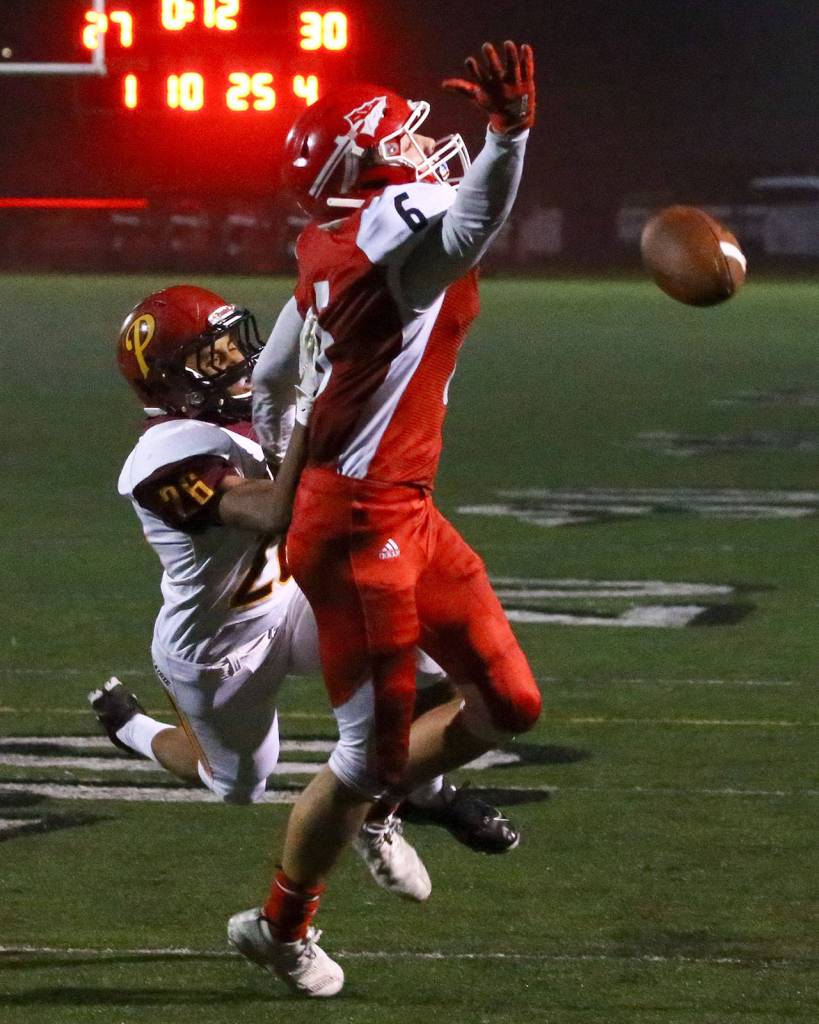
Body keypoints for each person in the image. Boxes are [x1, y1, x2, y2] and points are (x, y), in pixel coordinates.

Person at [230, 40, 541, 997]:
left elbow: (276, 373)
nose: (420, 146)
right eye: (399, 136)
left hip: (397, 507)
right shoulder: (391, 229)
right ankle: (279, 927)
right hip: (362, 529)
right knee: (367, 756)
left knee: (508, 705)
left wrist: (294, 465)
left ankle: (377, 806)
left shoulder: (336, 239)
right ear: (363, 163)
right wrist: (509, 130)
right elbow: (476, 219)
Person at [93, 284, 516, 902]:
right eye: (212, 357)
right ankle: (131, 728)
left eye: (234, 343)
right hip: (219, 645)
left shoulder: (253, 406)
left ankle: (405, 801)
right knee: (237, 782)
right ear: (169, 384)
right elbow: (272, 510)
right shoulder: (163, 457)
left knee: (431, 658)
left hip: (294, 600)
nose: (238, 362)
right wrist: (313, 410)